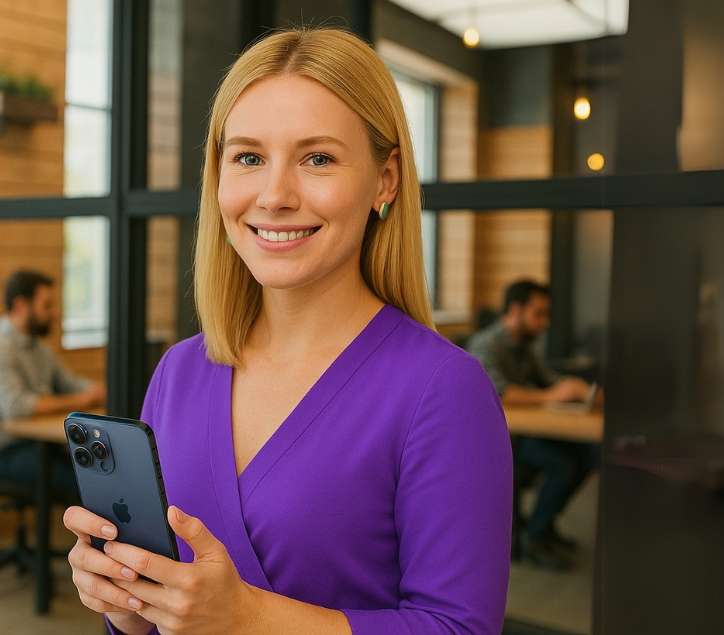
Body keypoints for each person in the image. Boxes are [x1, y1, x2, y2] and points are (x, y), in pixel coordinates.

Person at [64, 27, 512, 635]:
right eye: (248, 158)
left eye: (317, 158)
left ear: (386, 180)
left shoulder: (443, 390)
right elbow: (161, 616)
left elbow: (460, 628)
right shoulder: (180, 371)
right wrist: (130, 607)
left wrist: (249, 617)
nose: (274, 196)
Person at [466, 280, 600, 571]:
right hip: (493, 442)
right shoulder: (485, 344)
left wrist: (580, 391)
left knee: (589, 454)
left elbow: (549, 381)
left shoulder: (525, 347)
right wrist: (552, 395)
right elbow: (498, 391)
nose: (545, 322)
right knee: (561, 462)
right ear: (516, 310)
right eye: (539, 314)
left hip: (521, 434)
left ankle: (543, 521)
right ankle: (534, 538)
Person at [0, 270, 106, 502]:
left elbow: (69, 383)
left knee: (100, 469)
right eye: (47, 305)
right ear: (21, 305)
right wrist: (83, 400)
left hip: (41, 445)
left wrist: (97, 390)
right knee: (84, 483)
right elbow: (17, 407)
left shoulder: (40, 349)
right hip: (5, 453)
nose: (54, 313)